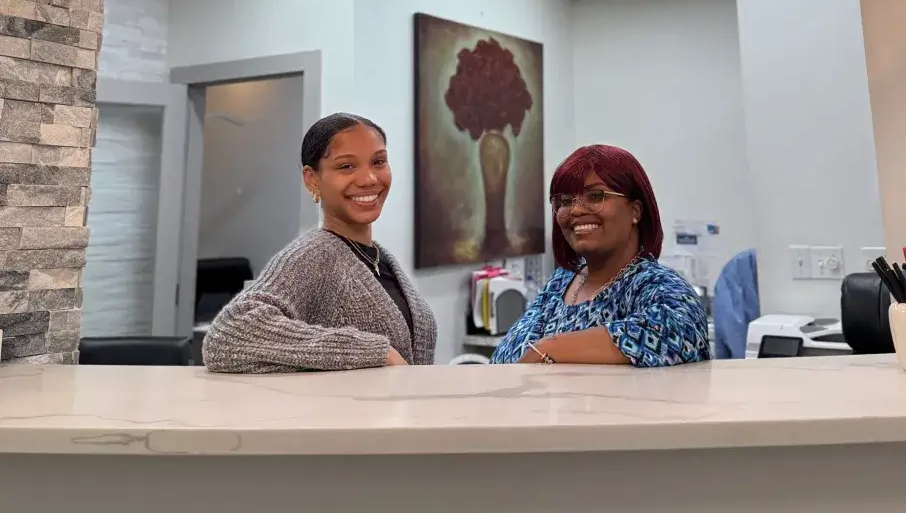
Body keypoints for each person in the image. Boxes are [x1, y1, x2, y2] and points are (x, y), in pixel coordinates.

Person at [203, 113, 437, 374]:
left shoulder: (380, 258)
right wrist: (375, 352)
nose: (369, 178)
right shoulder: (313, 255)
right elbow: (229, 335)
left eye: (378, 161)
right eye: (346, 166)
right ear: (312, 179)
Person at [491, 145, 709, 366]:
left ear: (635, 211)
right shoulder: (560, 283)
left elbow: (681, 329)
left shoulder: (655, 285)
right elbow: (510, 353)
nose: (575, 210)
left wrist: (550, 349)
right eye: (565, 201)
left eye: (595, 196)